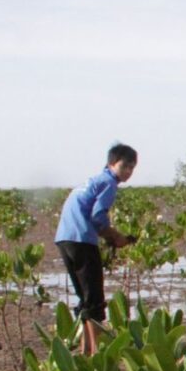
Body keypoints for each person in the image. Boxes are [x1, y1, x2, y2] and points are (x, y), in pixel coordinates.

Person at [54, 143, 137, 354]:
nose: (128, 172)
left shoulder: (92, 181)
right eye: (125, 166)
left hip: (65, 239)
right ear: (111, 163)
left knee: (86, 300)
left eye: (132, 168)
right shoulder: (109, 182)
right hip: (81, 240)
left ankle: (86, 351)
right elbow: (98, 217)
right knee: (95, 303)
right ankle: (95, 356)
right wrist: (117, 237)